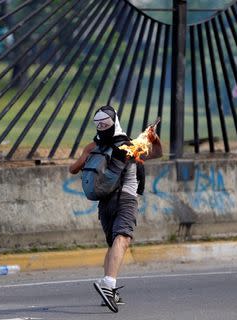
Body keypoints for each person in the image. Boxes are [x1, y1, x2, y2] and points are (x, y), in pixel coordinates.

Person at [69, 106, 162, 313]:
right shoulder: (129, 145)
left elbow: (72, 169)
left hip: (104, 203)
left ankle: (108, 289)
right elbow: (157, 153)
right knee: (124, 238)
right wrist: (153, 138)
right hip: (126, 199)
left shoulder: (93, 146)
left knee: (114, 244)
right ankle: (109, 286)